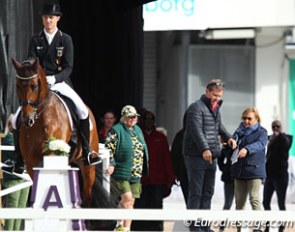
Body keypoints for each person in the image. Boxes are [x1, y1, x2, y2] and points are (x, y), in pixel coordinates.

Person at [12, 2, 99, 167]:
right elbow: (31, 60)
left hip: (59, 82)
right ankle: (18, 158)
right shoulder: (35, 39)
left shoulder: (65, 39)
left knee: (82, 110)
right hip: (38, 85)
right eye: (45, 17)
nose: (48, 21)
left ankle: (87, 151)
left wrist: (55, 78)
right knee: (17, 118)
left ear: (57, 18)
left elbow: (69, 67)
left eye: (51, 17)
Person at [183, 79, 236, 232]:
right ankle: (194, 228)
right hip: (196, 156)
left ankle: (204, 227)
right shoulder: (195, 108)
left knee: (208, 193)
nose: (217, 98)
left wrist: (229, 137)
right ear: (207, 91)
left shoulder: (215, 108)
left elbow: (219, 126)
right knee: (196, 193)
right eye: (215, 95)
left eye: (219, 96)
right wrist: (204, 149)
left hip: (211, 156)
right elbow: (195, 131)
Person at [105, 105, 149, 232]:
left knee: (131, 202)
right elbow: (109, 148)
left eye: (135, 116)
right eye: (130, 117)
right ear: (124, 117)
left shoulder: (138, 130)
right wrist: (111, 163)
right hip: (121, 172)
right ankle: (120, 225)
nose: (133, 119)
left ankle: (126, 228)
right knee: (127, 198)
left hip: (136, 172)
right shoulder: (116, 130)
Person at [132, 110, 175, 231]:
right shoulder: (137, 136)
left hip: (157, 180)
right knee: (140, 205)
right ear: (142, 121)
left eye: (151, 119)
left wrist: (170, 178)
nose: (149, 122)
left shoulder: (161, 137)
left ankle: (156, 228)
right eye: (146, 119)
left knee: (156, 205)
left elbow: (166, 158)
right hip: (141, 179)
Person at [230, 107, 268, 232]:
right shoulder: (239, 130)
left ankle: (258, 228)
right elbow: (233, 140)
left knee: (254, 198)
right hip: (239, 171)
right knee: (239, 203)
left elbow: (261, 144)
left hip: (254, 171)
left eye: (249, 119)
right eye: (244, 118)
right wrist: (231, 141)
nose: (246, 121)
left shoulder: (262, 132)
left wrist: (247, 149)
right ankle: (241, 229)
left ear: (256, 119)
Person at [263, 120, 293, 232]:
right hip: (270, 175)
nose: (275, 128)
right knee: (265, 202)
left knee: (281, 203)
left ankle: (282, 226)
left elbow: (286, 145)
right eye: (273, 126)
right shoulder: (269, 138)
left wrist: (277, 136)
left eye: (278, 126)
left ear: (281, 127)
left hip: (281, 176)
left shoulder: (287, 138)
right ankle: (267, 225)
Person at [2, 114, 30, 231]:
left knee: (21, 209)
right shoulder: (9, 138)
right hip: (13, 178)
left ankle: (17, 230)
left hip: (23, 177)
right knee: (13, 208)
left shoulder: (20, 139)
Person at [171, 112, 189, 206]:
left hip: (195, 173)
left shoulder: (180, 135)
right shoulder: (180, 135)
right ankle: (193, 219)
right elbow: (174, 155)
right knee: (189, 198)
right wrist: (175, 173)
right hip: (183, 173)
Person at [217, 143, 235, 232]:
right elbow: (220, 158)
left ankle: (239, 228)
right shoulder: (228, 145)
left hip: (242, 178)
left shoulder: (247, 143)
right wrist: (224, 168)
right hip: (229, 178)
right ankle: (221, 227)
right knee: (228, 204)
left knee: (240, 205)